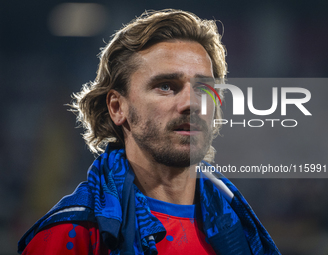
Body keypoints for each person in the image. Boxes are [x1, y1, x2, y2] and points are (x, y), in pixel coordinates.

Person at [18, 9, 280, 255]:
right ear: (117, 107)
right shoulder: (72, 234)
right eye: (166, 86)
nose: (191, 103)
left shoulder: (240, 229)